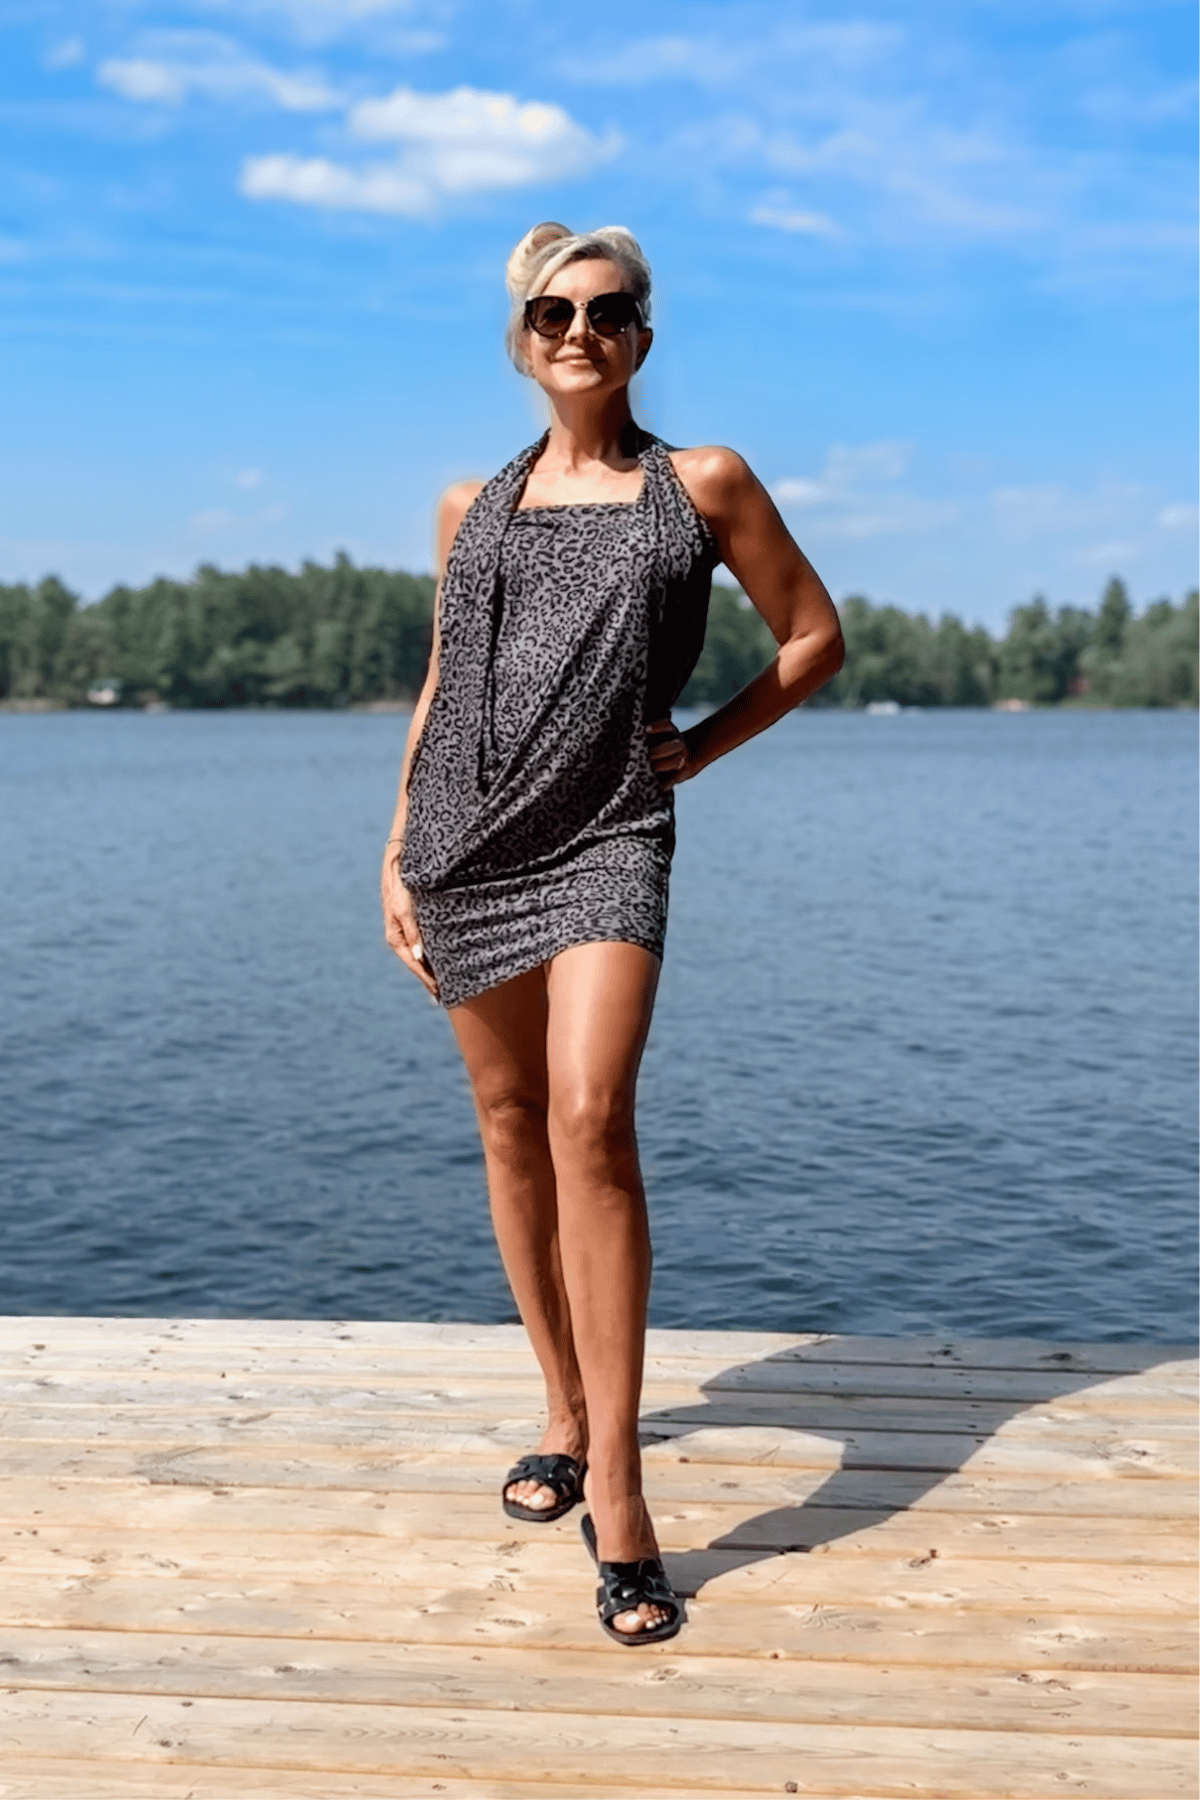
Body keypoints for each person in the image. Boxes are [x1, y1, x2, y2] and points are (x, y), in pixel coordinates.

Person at [380, 221, 843, 1645]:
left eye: (606, 309)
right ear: (522, 340)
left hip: (610, 834)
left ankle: (624, 1495)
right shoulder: (470, 505)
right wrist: (396, 841)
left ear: (642, 334)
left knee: (591, 1117)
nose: (578, 330)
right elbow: (447, 676)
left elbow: (813, 637)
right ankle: (565, 1414)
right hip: (464, 839)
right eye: (552, 312)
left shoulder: (702, 483)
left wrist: (701, 746)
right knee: (509, 1117)